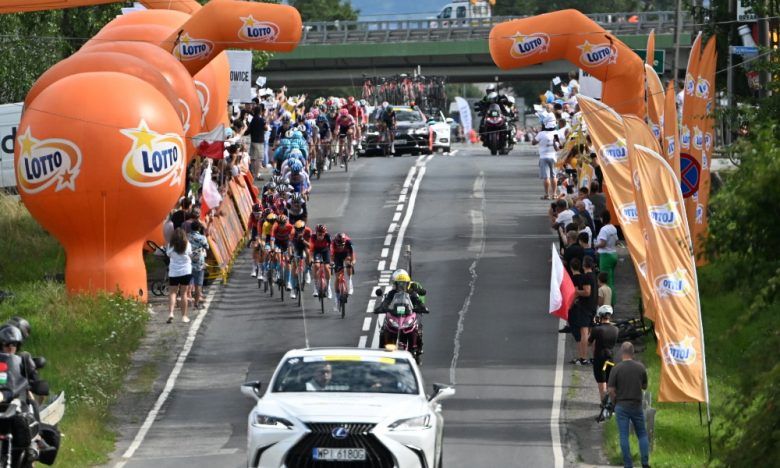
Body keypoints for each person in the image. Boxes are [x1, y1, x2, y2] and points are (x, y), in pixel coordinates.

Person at [608, 342, 650, 468]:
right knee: (642, 434)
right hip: (636, 405)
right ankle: (645, 463)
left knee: (624, 435)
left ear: (622, 353)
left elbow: (610, 390)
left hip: (621, 405)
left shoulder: (616, 368)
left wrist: (614, 401)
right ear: (633, 353)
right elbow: (644, 386)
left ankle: (628, 464)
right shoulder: (640, 367)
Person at [589, 305, 619, 400]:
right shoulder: (616, 329)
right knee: (610, 381)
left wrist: (592, 328)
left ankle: (603, 403)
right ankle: (612, 404)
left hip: (600, 359)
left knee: (602, 382)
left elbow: (588, 343)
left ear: (600, 316)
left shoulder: (597, 329)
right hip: (610, 358)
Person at [166, 228, 192, 324]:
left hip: (174, 272)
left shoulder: (170, 245)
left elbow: (168, 255)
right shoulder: (187, 244)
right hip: (185, 271)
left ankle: (171, 313)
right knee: (183, 294)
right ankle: (184, 316)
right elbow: (190, 254)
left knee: (173, 293)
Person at [532, 117, 561, 200]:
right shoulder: (556, 133)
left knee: (546, 177)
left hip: (543, 157)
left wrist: (537, 135)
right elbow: (558, 148)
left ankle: (547, 194)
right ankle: (555, 194)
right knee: (554, 176)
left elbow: (533, 142)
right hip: (553, 157)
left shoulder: (541, 134)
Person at [595, 211, 619, 305]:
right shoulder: (613, 228)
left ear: (602, 218)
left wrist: (595, 246)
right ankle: (612, 301)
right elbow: (617, 241)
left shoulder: (604, 230)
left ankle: (608, 303)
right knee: (611, 280)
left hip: (606, 256)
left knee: (606, 282)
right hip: (613, 254)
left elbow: (603, 243)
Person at [188, 221, 209, 310]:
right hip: (199, 264)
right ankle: (196, 304)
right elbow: (207, 247)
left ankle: (186, 301)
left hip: (187, 263)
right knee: (198, 285)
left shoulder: (186, 236)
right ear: (199, 228)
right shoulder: (202, 238)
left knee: (188, 283)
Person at [310, 224, 333, 299]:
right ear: (316, 233)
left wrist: (332, 260)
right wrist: (311, 258)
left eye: (322, 234)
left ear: (325, 233)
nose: (320, 236)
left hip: (325, 250)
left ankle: (328, 287)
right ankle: (315, 287)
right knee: (316, 265)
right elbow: (311, 248)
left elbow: (332, 248)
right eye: (318, 234)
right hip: (317, 251)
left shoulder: (327, 236)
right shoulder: (313, 237)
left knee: (327, 267)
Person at [248, 104, 267, 180]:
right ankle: (257, 175)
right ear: (260, 112)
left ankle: (252, 173)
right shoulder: (261, 120)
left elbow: (249, 129)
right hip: (259, 142)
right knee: (259, 159)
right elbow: (266, 128)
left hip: (253, 141)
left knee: (253, 158)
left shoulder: (252, 119)